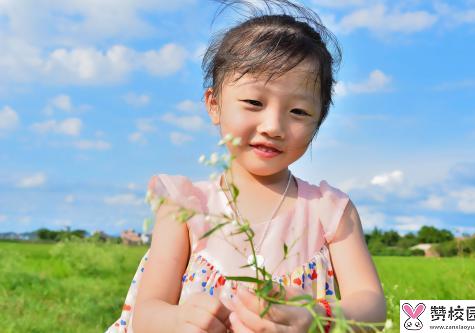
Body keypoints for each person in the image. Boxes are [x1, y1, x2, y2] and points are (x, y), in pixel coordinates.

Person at [107, 1, 386, 332]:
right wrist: (179, 320)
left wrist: (315, 316)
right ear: (214, 104)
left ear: (318, 122)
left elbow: (371, 306)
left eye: (298, 111)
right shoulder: (185, 207)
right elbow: (147, 314)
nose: (273, 126)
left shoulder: (330, 210)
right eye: (254, 102)